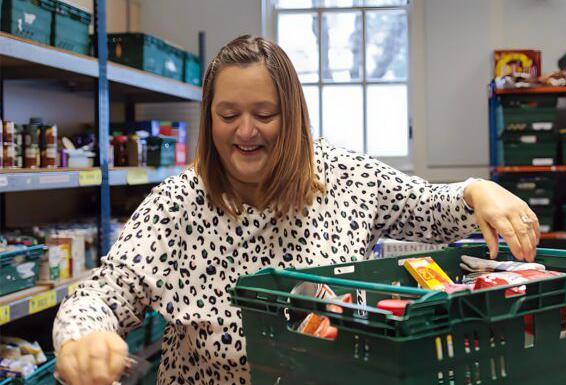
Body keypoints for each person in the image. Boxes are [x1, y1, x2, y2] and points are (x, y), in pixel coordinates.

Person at [53, 35, 539, 385]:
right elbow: (103, 293)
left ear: (293, 115)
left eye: (265, 114)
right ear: (210, 119)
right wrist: (82, 337)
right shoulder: (178, 205)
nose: (246, 131)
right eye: (228, 115)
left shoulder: (345, 178)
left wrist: (478, 190)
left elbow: (431, 208)